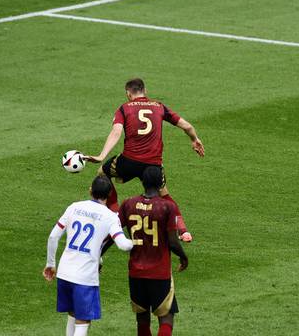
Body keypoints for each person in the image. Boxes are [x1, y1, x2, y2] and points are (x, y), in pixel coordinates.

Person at [85, 77, 204, 241]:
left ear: (128, 94)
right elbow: (187, 126)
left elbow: (116, 132)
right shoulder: (159, 106)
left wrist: (101, 156)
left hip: (129, 162)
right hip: (153, 164)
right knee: (165, 194)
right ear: (145, 91)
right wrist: (194, 139)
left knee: (102, 174)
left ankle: (114, 213)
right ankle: (183, 231)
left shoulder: (124, 108)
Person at [43, 176, 134, 336]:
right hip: (84, 278)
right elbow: (123, 245)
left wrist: (51, 264)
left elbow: (53, 237)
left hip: (64, 273)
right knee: (83, 321)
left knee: (72, 314)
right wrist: (138, 242)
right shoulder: (110, 217)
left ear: (90, 190)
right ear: (109, 194)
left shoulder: (74, 207)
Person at [119, 166, 189, 336]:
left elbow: (113, 232)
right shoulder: (167, 206)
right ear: (161, 183)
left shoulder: (128, 203)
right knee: (166, 317)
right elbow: (172, 242)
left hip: (135, 271)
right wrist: (184, 257)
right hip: (159, 272)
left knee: (142, 319)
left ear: (142, 182)